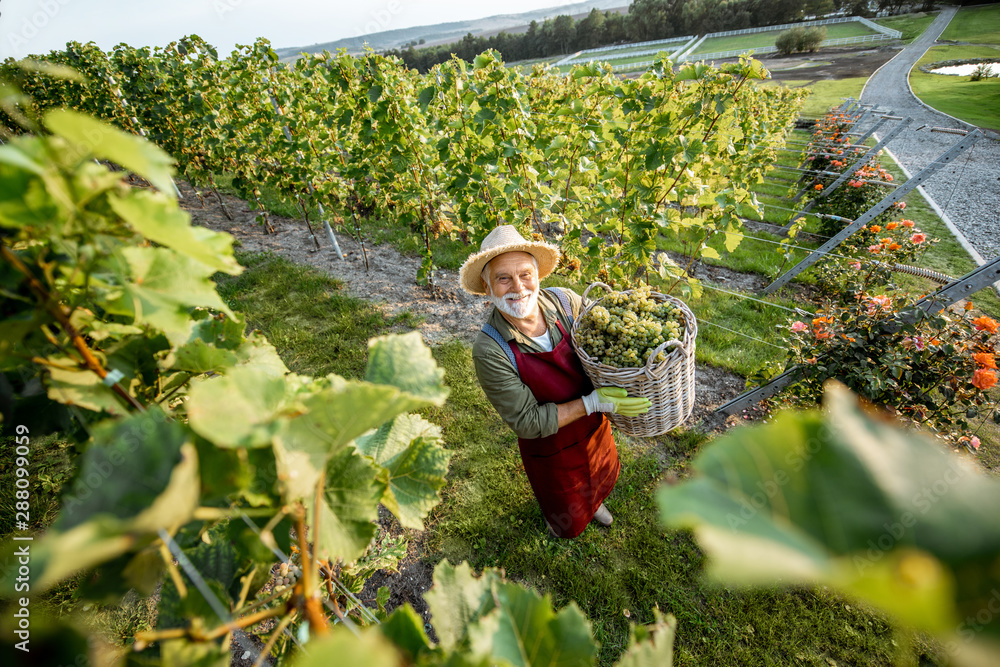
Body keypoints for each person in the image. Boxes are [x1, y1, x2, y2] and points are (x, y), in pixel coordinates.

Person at [459, 225, 651, 538]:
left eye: (525, 274)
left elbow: (605, 341)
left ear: (538, 274)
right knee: (567, 510)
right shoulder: (491, 349)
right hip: (551, 444)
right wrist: (591, 402)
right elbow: (527, 421)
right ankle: (566, 521)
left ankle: (596, 502)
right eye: (503, 278)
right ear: (487, 285)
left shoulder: (566, 302)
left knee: (600, 474)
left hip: (593, 427)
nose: (518, 288)